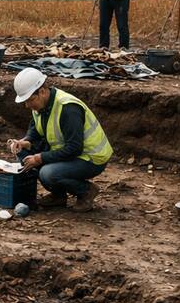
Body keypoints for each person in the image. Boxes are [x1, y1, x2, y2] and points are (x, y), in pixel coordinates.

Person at [6, 68, 113, 212]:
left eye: (29, 101)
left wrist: (40, 158)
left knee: (48, 173)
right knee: (24, 153)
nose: (27, 106)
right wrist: (25, 141)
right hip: (69, 153)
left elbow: (74, 148)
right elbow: (35, 129)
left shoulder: (68, 108)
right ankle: (59, 196)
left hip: (90, 158)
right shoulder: (39, 105)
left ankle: (86, 191)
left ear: (42, 91)